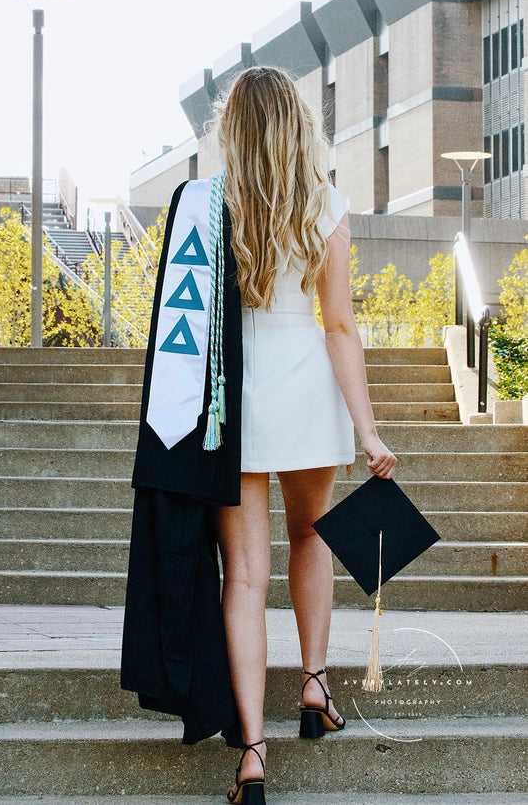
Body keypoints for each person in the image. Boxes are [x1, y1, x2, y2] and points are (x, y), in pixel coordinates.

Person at [213, 66, 397, 805]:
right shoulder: (326, 205)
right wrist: (369, 428)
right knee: (311, 538)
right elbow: (340, 327)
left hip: (236, 398)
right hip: (307, 389)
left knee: (245, 576)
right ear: (297, 123)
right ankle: (315, 688)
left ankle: (253, 756)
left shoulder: (212, 204)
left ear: (235, 128)